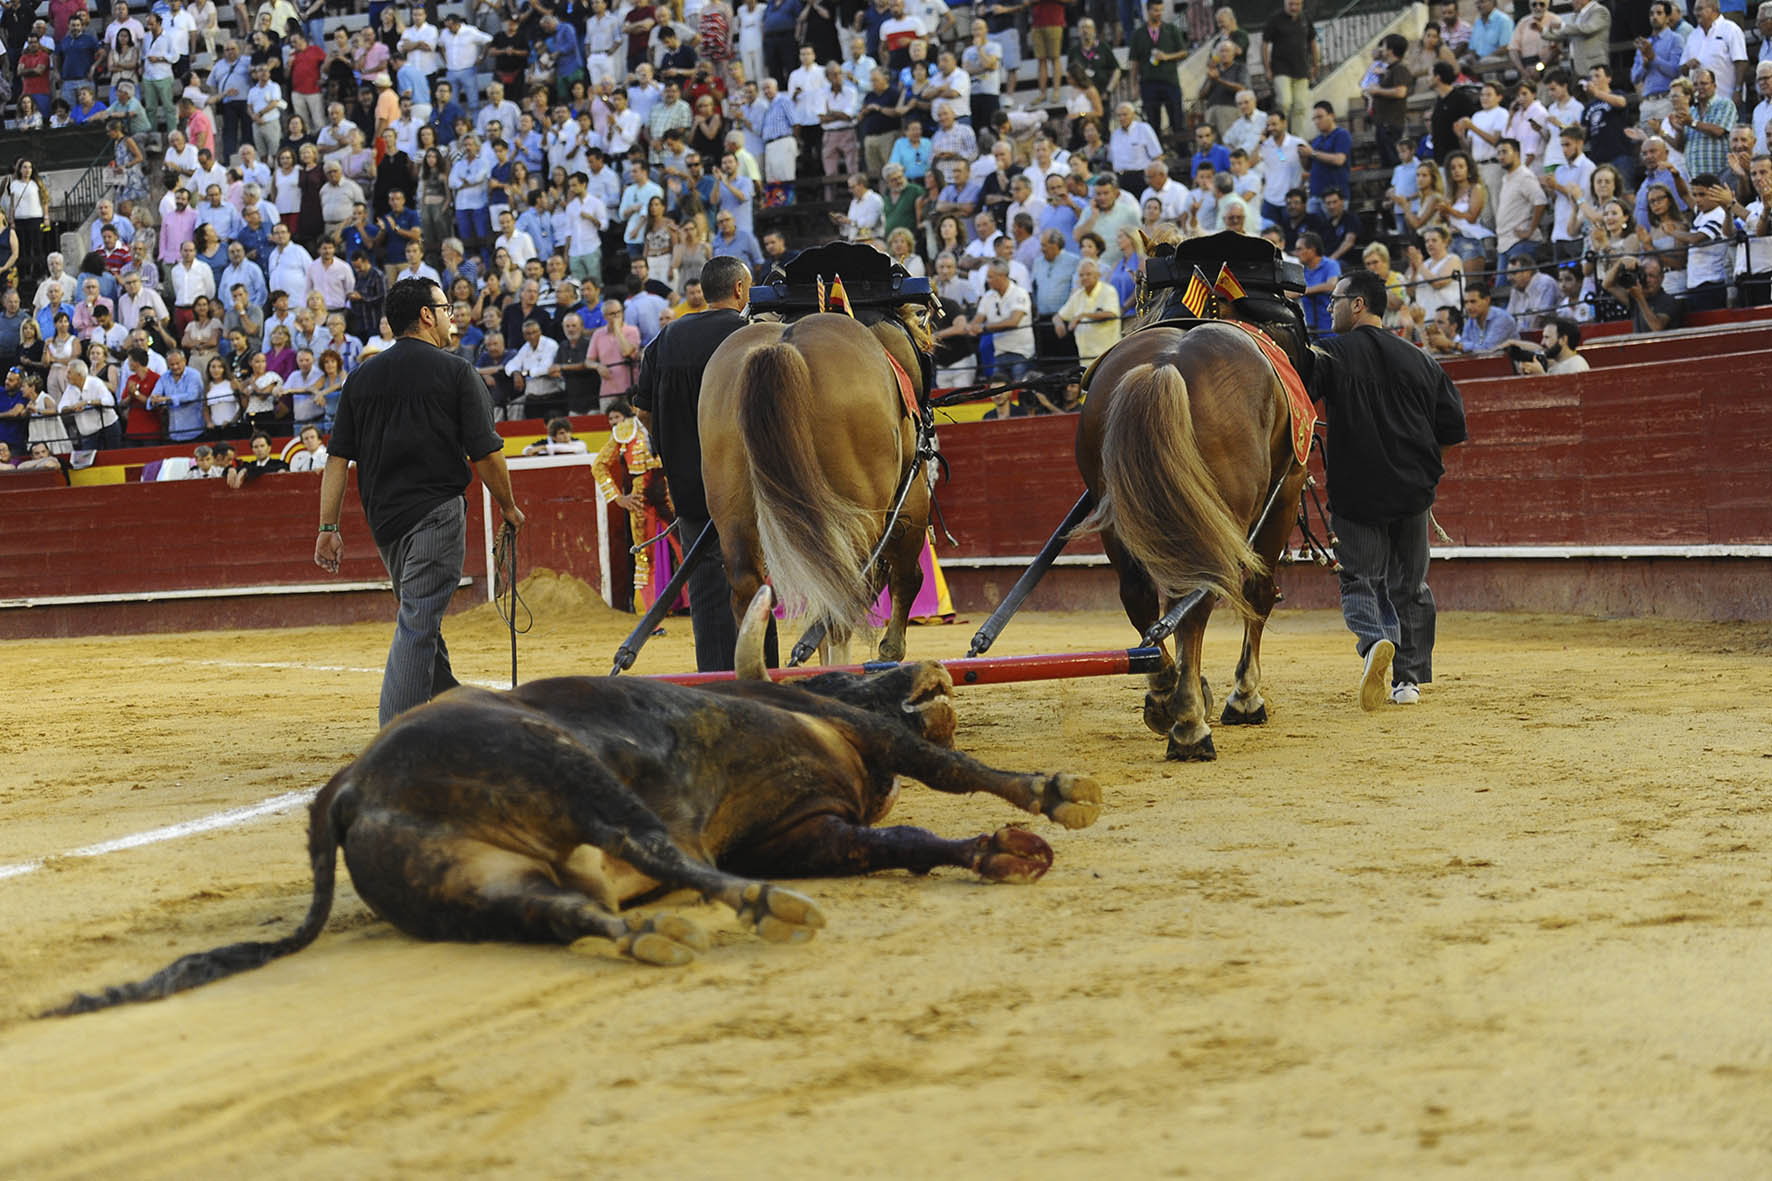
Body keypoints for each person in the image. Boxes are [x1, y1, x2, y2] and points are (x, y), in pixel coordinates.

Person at [315, 278, 525, 726]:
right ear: (427, 315)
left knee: (420, 612)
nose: (453, 315)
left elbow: (337, 459)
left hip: (386, 523)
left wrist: (328, 527)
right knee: (418, 619)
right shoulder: (455, 371)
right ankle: (397, 732)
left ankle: (458, 710)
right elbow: (485, 454)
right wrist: (508, 507)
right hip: (436, 514)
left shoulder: (361, 377)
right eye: (446, 307)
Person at [1311, 269, 1467, 711]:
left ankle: (1378, 641)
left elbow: (1298, 401)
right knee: (1411, 585)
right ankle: (1408, 681)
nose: (1331, 307)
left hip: (1358, 493)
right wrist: (1424, 470)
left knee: (1361, 579)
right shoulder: (1421, 359)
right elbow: (1453, 430)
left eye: (1335, 300)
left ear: (1357, 304)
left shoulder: (1332, 354)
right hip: (1411, 493)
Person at [630, 255, 769, 672]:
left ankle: (715, 678)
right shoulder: (754, 334)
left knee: (705, 585)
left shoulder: (665, 339)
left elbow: (643, 412)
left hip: (691, 484)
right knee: (753, 575)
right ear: (741, 290)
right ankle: (764, 671)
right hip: (748, 484)